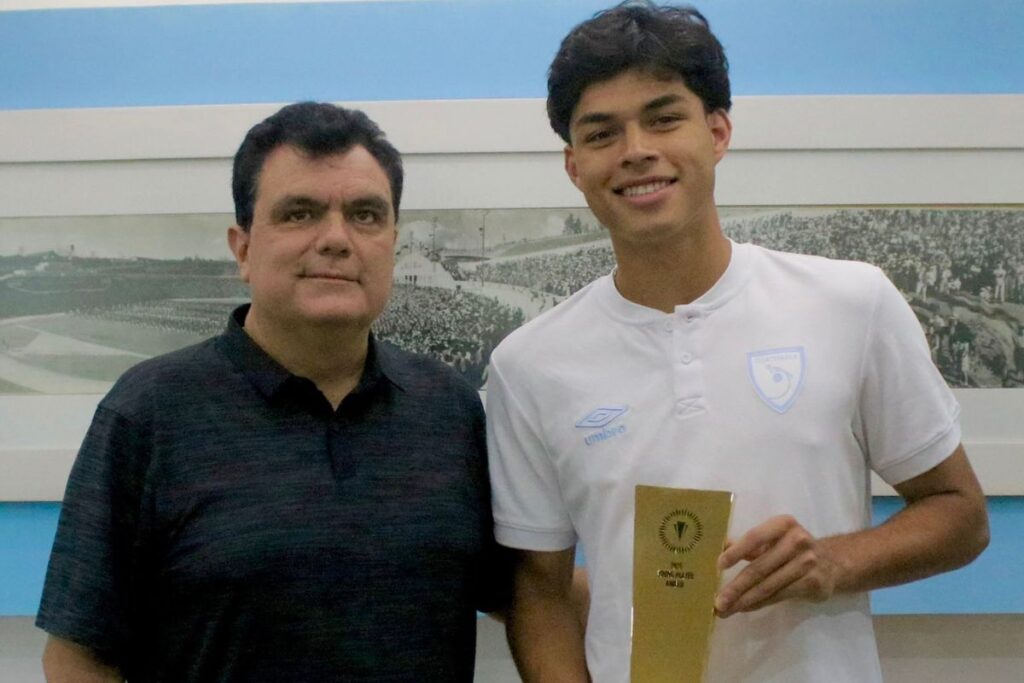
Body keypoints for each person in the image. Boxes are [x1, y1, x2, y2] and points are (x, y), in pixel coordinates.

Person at [484, 3, 990, 682]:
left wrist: (835, 561)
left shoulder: (852, 302)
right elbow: (538, 590)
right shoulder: (528, 364)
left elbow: (960, 514)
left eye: (664, 118)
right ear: (574, 165)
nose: (636, 150)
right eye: (602, 133)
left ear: (718, 131)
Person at [36, 102, 511, 682]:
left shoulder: (450, 409)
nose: (336, 239)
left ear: (392, 241)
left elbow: (527, 589)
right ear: (242, 249)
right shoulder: (149, 412)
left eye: (365, 215)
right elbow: (78, 657)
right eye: (299, 214)